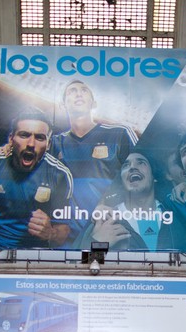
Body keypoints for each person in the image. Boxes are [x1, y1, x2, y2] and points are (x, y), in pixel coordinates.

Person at [0, 107, 74, 249]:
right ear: (11, 139)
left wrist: (51, 233)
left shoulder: (60, 174)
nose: (31, 144)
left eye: (40, 137)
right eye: (24, 135)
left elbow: (63, 231)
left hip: (35, 257)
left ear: (48, 144)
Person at [52, 80, 138, 241]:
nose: (78, 93)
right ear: (63, 105)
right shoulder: (53, 143)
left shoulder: (120, 134)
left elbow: (145, 173)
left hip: (110, 229)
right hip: (68, 239)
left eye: (84, 90)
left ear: (94, 103)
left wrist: (109, 203)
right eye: (72, 91)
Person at [76, 151, 186, 251]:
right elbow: (79, 267)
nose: (132, 167)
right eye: (125, 165)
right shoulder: (104, 219)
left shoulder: (176, 214)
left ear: (154, 177)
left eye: (141, 162)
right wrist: (97, 243)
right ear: (121, 179)